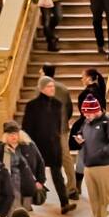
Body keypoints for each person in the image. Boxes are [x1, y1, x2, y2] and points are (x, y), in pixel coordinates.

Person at [22, 77, 75, 215]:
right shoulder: (32, 105)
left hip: (53, 146)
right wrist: (28, 146)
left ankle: (65, 203)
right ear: (42, 88)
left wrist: (57, 142)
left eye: (53, 86)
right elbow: (26, 127)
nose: (52, 89)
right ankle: (26, 203)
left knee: (58, 175)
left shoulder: (57, 104)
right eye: (49, 87)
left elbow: (57, 126)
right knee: (30, 175)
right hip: (37, 146)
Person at [40, 64, 78, 198]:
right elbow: (69, 108)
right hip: (61, 128)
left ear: (44, 73)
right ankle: (72, 186)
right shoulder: (63, 88)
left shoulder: (41, 89)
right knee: (66, 156)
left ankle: (39, 185)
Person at [0, 119, 46, 213]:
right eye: (10, 134)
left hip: (27, 184)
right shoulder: (0, 149)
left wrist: (40, 181)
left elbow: (40, 162)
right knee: (13, 213)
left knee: (25, 214)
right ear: (6, 136)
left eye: (15, 133)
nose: (13, 136)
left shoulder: (29, 146)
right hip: (9, 185)